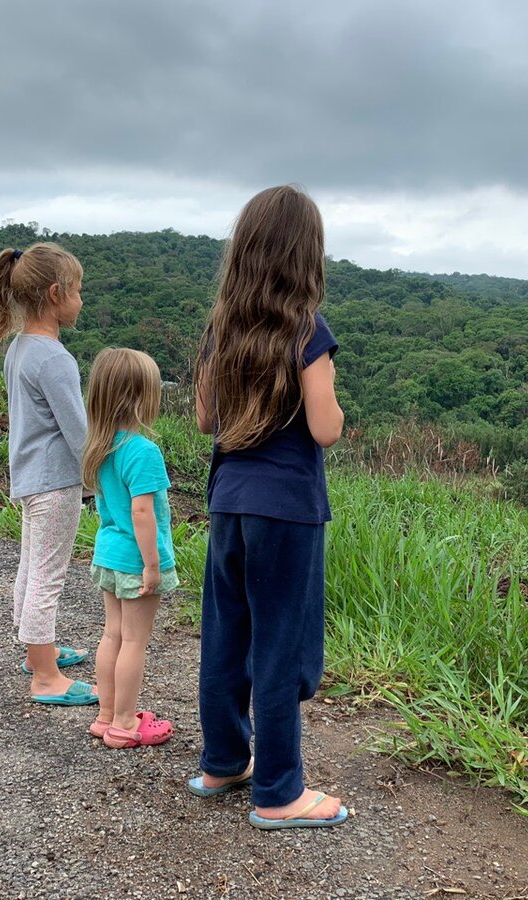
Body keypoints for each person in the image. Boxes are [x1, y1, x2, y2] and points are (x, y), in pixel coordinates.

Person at [187, 185, 348, 829]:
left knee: (228, 634)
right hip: (287, 508)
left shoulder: (222, 329)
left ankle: (223, 760)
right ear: (308, 256)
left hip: (229, 501)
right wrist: (333, 398)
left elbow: (204, 418)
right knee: (281, 644)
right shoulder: (309, 331)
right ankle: (280, 790)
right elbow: (325, 428)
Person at [0, 243, 97, 706]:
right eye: (78, 291)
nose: (82, 300)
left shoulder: (20, 347)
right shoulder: (56, 358)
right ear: (56, 294)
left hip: (28, 475)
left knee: (31, 564)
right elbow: (78, 431)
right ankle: (45, 676)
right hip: (56, 481)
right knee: (48, 573)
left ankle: (39, 651)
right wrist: (101, 475)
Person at [80, 348, 177, 749]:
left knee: (112, 636)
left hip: (108, 554)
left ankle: (105, 716)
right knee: (135, 641)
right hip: (137, 561)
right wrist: (153, 565)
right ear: (141, 398)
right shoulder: (143, 451)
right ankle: (125, 723)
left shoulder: (99, 447)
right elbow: (143, 512)